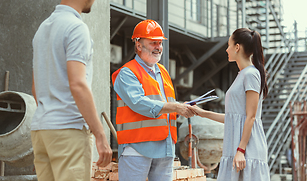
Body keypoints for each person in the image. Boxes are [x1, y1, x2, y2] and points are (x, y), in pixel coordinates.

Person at [31, 0, 112, 181]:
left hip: (41, 130)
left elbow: (36, 87)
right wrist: (100, 134)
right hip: (67, 131)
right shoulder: (76, 28)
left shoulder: (43, 29)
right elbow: (78, 84)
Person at [112, 19, 196, 181]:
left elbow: (166, 109)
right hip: (136, 149)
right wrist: (174, 107)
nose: (158, 47)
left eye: (160, 43)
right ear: (138, 45)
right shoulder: (127, 73)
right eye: (153, 43)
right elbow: (139, 103)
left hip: (165, 148)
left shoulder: (163, 72)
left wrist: (181, 109)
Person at [192, 28, 270, 180]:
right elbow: (232, 118)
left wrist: (241, 150)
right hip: (236, 146)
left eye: (229, 45)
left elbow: (251, 117)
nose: (226, 49)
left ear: (237, 47)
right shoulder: (243, 74)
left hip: (247, 148)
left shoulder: (251, 74)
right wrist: (201, 112)